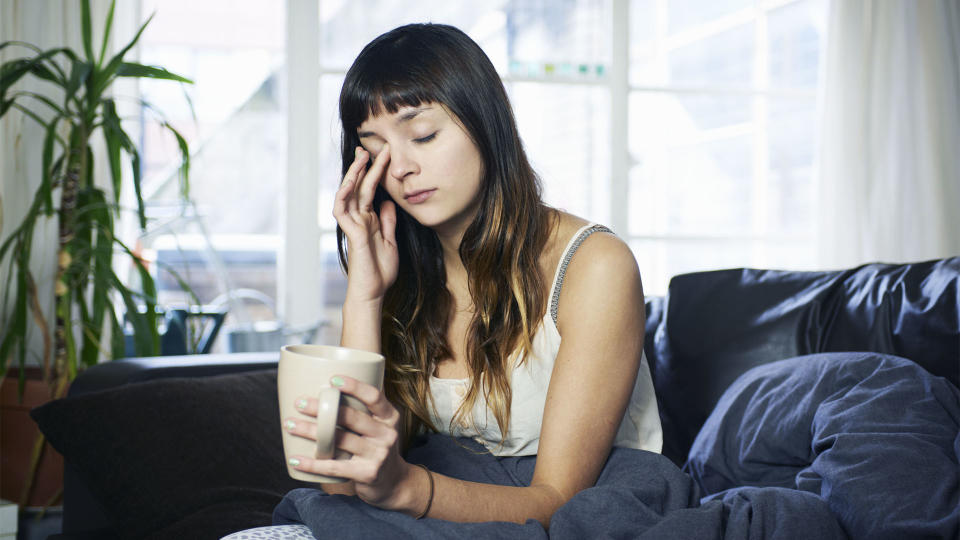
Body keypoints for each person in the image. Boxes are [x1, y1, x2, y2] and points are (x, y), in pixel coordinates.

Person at [224, 22, 661, 539]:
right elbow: (341, 484)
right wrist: (364, 296)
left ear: (484, 122)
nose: (402, 167)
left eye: (423, 135)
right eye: (376, 148)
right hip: (451, 509)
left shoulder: (595, 266)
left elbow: (557, 503)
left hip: (578, 517)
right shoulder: (405, 272)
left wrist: (406, 489)